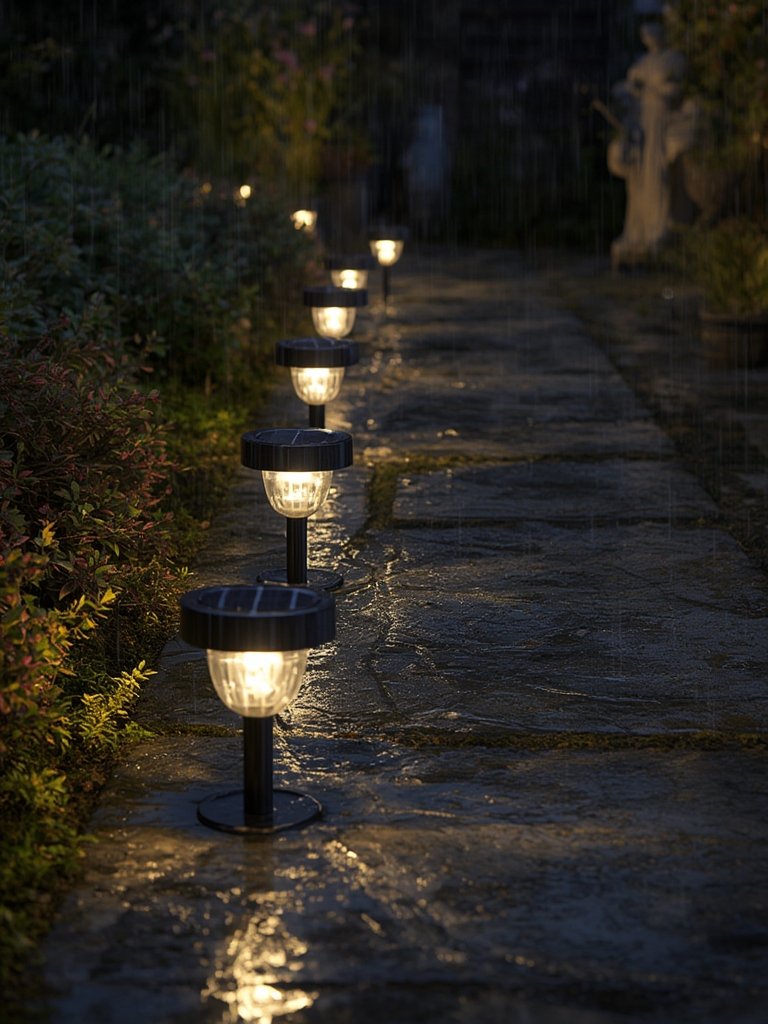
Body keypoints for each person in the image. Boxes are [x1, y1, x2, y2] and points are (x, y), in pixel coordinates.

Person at [608, 21, 694, 270]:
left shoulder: (673, 60)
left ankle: (660, 227)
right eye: (645, 36)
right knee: (639, 180)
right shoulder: (642, 64)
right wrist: (632, 91)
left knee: (659, 176)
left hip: (661, 121)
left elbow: (677, 90)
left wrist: (658, 93)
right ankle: (639, 230)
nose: (649, 39)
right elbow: (627, 90)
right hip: (642, 123)